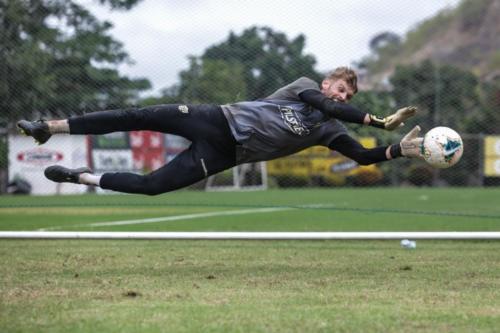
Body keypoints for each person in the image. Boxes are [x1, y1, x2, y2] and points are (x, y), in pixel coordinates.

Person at [17, 67, 424, 195]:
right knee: (135, 114)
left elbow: (364, 157)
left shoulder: (329, 130)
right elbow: (324, 106)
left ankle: (80, 177)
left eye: (350, 92)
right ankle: (48, 128)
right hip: (215, 119)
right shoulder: (304, 89)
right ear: (326, 85)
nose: (343, 94)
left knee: (153, 187)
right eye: (341, 88)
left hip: (227, 154)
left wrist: (399, 150)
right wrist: (376, 120)